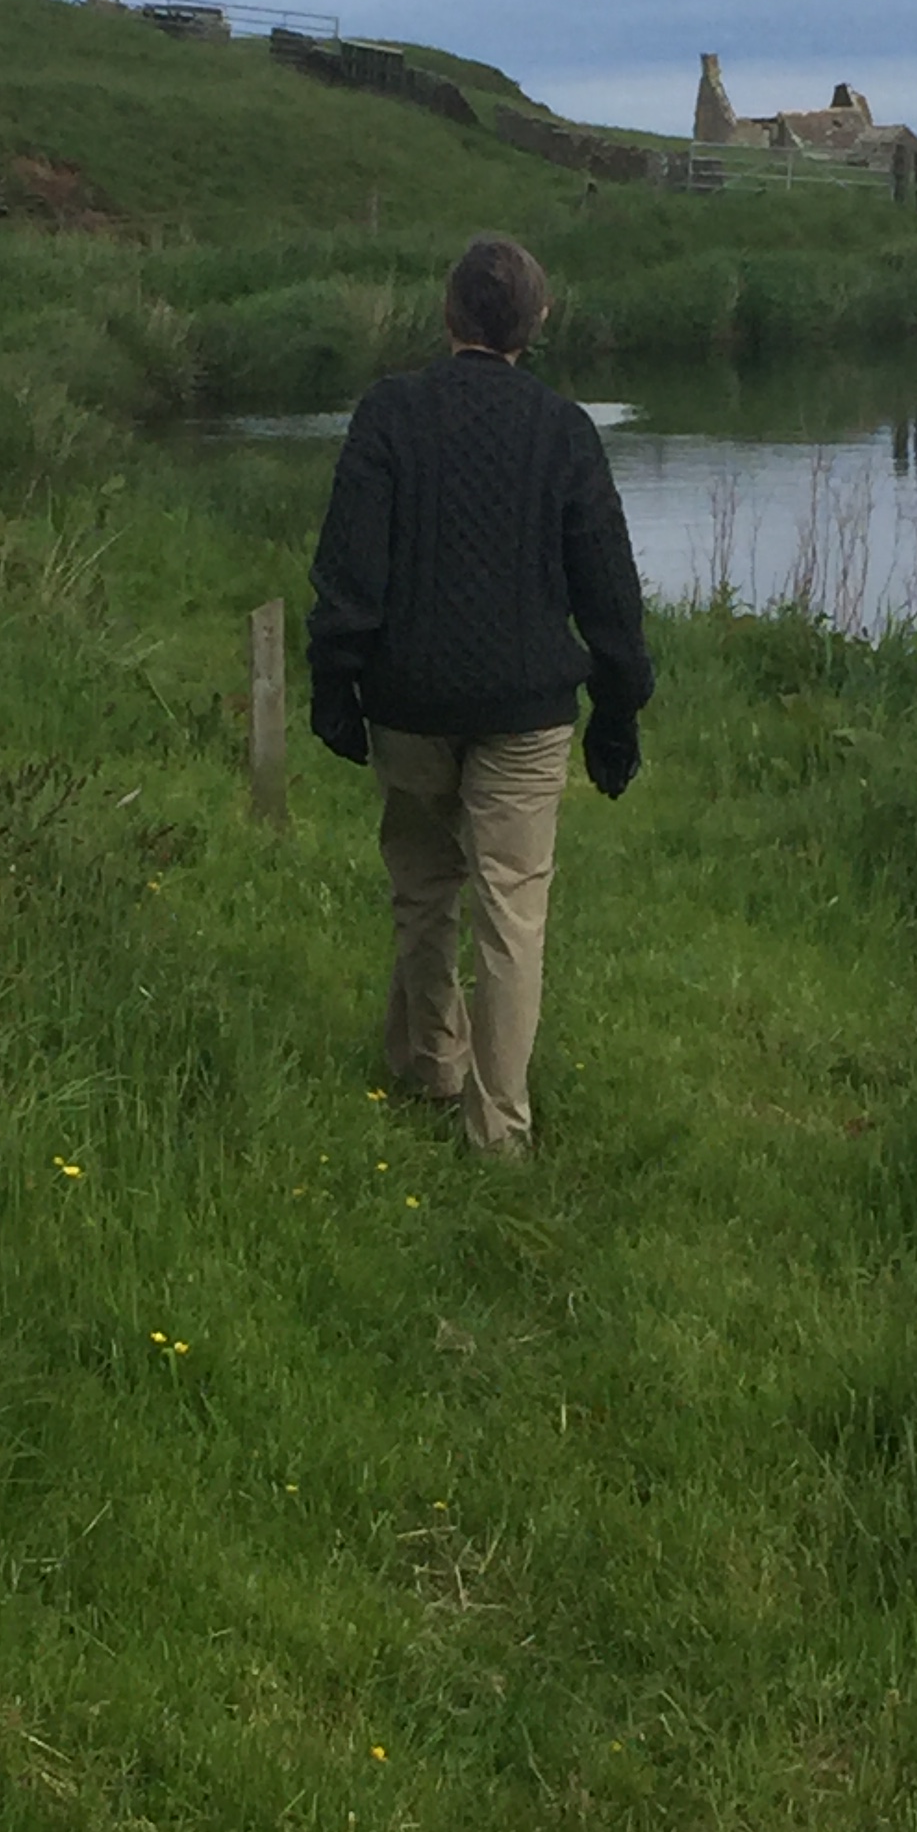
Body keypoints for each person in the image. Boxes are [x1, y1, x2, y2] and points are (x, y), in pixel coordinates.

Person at [306, 233, 653, 1158]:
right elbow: (608, 588)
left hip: (408, 697)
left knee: (424, 887)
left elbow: (348, 566)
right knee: (513, 910)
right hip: (526, 710)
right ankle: (499, 1128)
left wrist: (333, 679)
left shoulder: (389, 414)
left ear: (447, 314)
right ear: (537, 323)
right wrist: (619, 705)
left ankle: (432, 1061)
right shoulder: (563, 431)